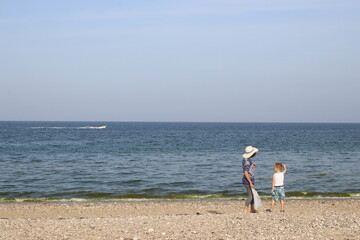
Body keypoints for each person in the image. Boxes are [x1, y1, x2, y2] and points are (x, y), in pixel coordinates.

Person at [242, 146, 258, 213]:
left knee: (252, 195)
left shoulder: (247, 159)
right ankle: (245, 209)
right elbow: (246, 172)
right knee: (250, 195)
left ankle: (252, 209)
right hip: (248, 180)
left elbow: (247, 167)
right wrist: (250, 182)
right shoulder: (247, 162)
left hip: (249, 179)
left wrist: (252, 164)